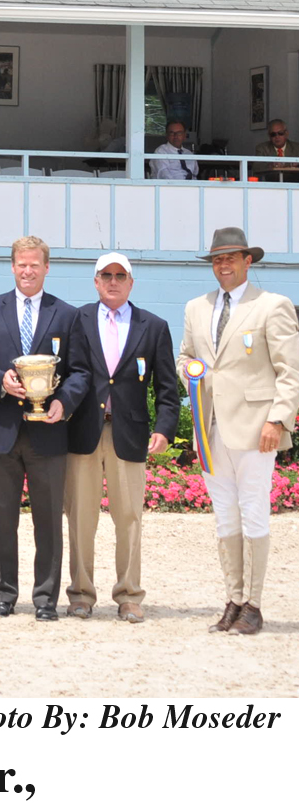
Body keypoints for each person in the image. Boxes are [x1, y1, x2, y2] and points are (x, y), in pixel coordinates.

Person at [176, 228, 299, 635]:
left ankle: (255, 603)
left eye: (231, 257)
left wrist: (278, 419)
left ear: (249, 261)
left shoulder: (273, 305)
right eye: (217, 259)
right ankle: (232, 598)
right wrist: (191, 375)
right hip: (210, 429)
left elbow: (289, 370)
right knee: (224, 516)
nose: (223, 265)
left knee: (254, 512)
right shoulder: (197, 307)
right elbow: (186, 357)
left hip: (254, 427)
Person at [0, 235, 89, 620]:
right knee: (0, 519)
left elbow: (81, 371)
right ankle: (1, 596)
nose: (28, 271)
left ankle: (46, 599)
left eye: (35, 264)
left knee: (48, 520)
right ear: (12, 267)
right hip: (2, 429)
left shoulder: (67, 315)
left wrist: (63, 401)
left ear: (47, 268)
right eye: (22, 264)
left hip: (48, 432)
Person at [64, 252, 181, 622]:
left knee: (129, 516)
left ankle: (129, 594)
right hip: (82, 431)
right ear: (96, 281)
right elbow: (66, 373)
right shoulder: (76, 320)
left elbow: (167, 387)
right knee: (81, 516)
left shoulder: (155, 326)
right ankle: (81, 593)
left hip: (129, 433)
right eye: (106, 275)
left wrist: (164, 428)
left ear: (131, 282)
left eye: (120, 275)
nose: (113, 281)